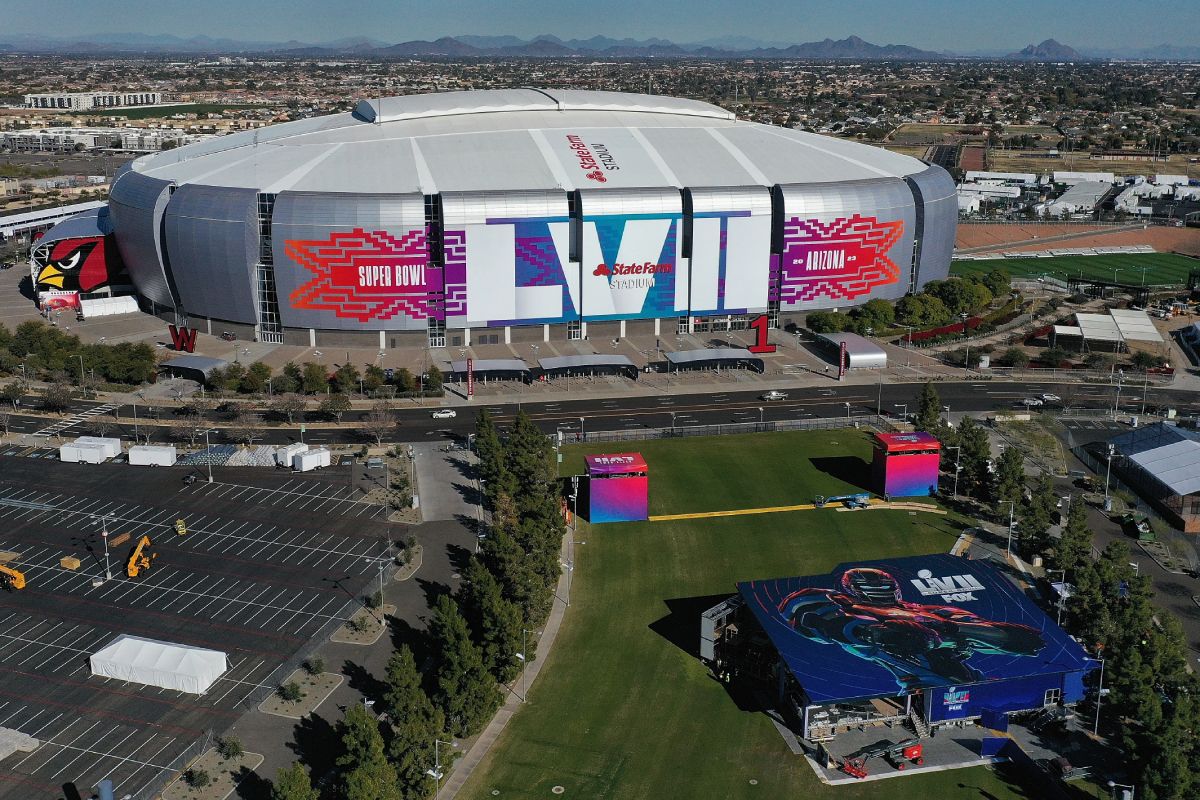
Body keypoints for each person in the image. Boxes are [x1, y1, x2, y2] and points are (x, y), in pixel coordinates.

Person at [778, 567, 1044, 689]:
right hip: (908, 662)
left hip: (946, 664)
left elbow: (978, 627)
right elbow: (808, 615)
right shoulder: (839, 603)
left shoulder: (925, 611)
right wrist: (877, 632)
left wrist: (951, 630)